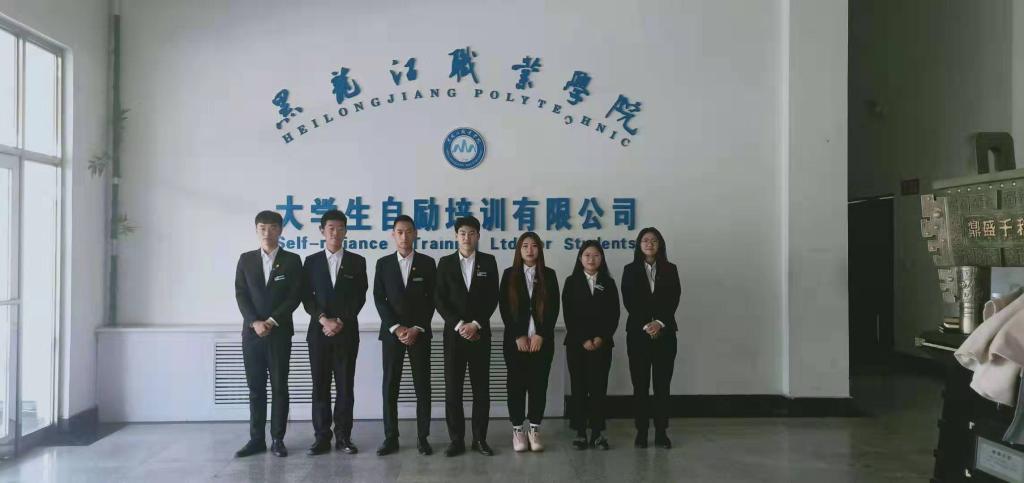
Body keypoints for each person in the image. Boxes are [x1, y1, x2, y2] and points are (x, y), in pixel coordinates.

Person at [233, 210, 302, 458]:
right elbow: (241, 294)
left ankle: (277, 439)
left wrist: (271, 321)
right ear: (256, 230)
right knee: (256, 388)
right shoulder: (246, 259)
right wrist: (254, 322)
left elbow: (294, 296)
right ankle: (256, 439)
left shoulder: (292, 260)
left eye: (272, 227)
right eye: (262, 227)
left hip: (279, 332)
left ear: (280, 230)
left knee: (279, 386)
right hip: (252, 334)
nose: (267, 232)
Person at [301, 209, 367, 455]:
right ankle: (321, 437)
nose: (335, 233)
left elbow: (359, 296)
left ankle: (343, 437)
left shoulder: (357, 261)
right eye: (331, 228)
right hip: (318, 333)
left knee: (345, 387)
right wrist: (323, 320)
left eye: (340, 228)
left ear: (346, 231)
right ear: (322, 231)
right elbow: (306, 296)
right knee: (320, 386)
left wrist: (340, 320)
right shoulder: (311, 262)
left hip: (346, 332)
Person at [434, 216, 499, 457]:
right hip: (454, 336)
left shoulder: (489, 262)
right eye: (462, 233)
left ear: (478, 236)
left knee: (481, 389)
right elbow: (439, 299)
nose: (467, 237)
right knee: (453, 390)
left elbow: (493, 297)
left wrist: (476, 324)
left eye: (472, 233)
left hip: (480, 335)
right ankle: (456, 440)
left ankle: (480, 439)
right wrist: (460, 324)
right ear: (456, 236)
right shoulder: (445, 263)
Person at [375, 215, 437, 456]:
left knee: (423, 386)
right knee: (390, 386)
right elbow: (379, 299)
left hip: (419, 334)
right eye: (399, 232)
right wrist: (396, 327)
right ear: (393, 235)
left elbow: (432, 299)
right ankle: (390, 437)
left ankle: (423, 437)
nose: (404, 236)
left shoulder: (428, 263)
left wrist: (417, 328)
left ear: (415, 234)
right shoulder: (383, 264)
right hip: (392, 335)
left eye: (409, 231)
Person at [498, 232, 560, 452]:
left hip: (542, 342)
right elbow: (504, 307)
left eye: (534, 246)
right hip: (515, 343)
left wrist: (541, 334)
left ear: (540, 249)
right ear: (519, 250)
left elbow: (554, 308)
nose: (530, 250)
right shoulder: (509, 275)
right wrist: (518, 335)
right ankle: (517, 430)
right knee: (515, 386)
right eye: (525, 246)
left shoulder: (549, 275)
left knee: (538, 386)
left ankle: (534, 429)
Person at [621, 227, 681, 449]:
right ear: (639, 245)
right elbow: (629, 300)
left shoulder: (670, 269)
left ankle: (662, 432)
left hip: (665, 334)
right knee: (640, 385)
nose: (649, 244)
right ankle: (642, 431)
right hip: (638, 334)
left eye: (654, 240)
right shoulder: (630, 270)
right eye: (645, 240)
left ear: (660, 245)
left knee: (662, 386)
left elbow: (674, 298)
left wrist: (660, 323)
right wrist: (647, 324)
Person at [562, 240, 619, 451]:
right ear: (580, 258)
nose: (591, 259)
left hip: (602, 344)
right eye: (587, 255)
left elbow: (614, 314)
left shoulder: (608, 282)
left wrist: (601, 337)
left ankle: (597, 433)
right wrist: (584, 339)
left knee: (598, 388)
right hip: (577, 345)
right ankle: (580, 433)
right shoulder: (571, 282)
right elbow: (568, 314)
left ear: (601, 258)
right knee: (578, 387)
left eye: (595, 255)